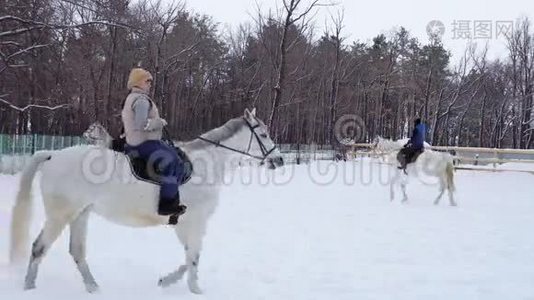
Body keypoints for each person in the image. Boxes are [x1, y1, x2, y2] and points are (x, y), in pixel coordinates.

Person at [121, 68, 186, 216]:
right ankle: (167, 203)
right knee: (172, 160)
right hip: (144, 144)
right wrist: (159, 122)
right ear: (138, 82)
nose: (150, 84)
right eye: (147, 81)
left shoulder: (131, 98)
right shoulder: (141, 100)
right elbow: (141, 124)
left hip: (136, 142)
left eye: (150, 81)